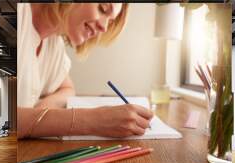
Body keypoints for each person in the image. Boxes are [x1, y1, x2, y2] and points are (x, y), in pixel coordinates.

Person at [17, 3, 153, 139]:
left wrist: (39, 113)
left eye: (110, 21)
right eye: (102, 8)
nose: (104, 27)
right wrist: (93, 120)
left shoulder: (53, 44)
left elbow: (67, 88)